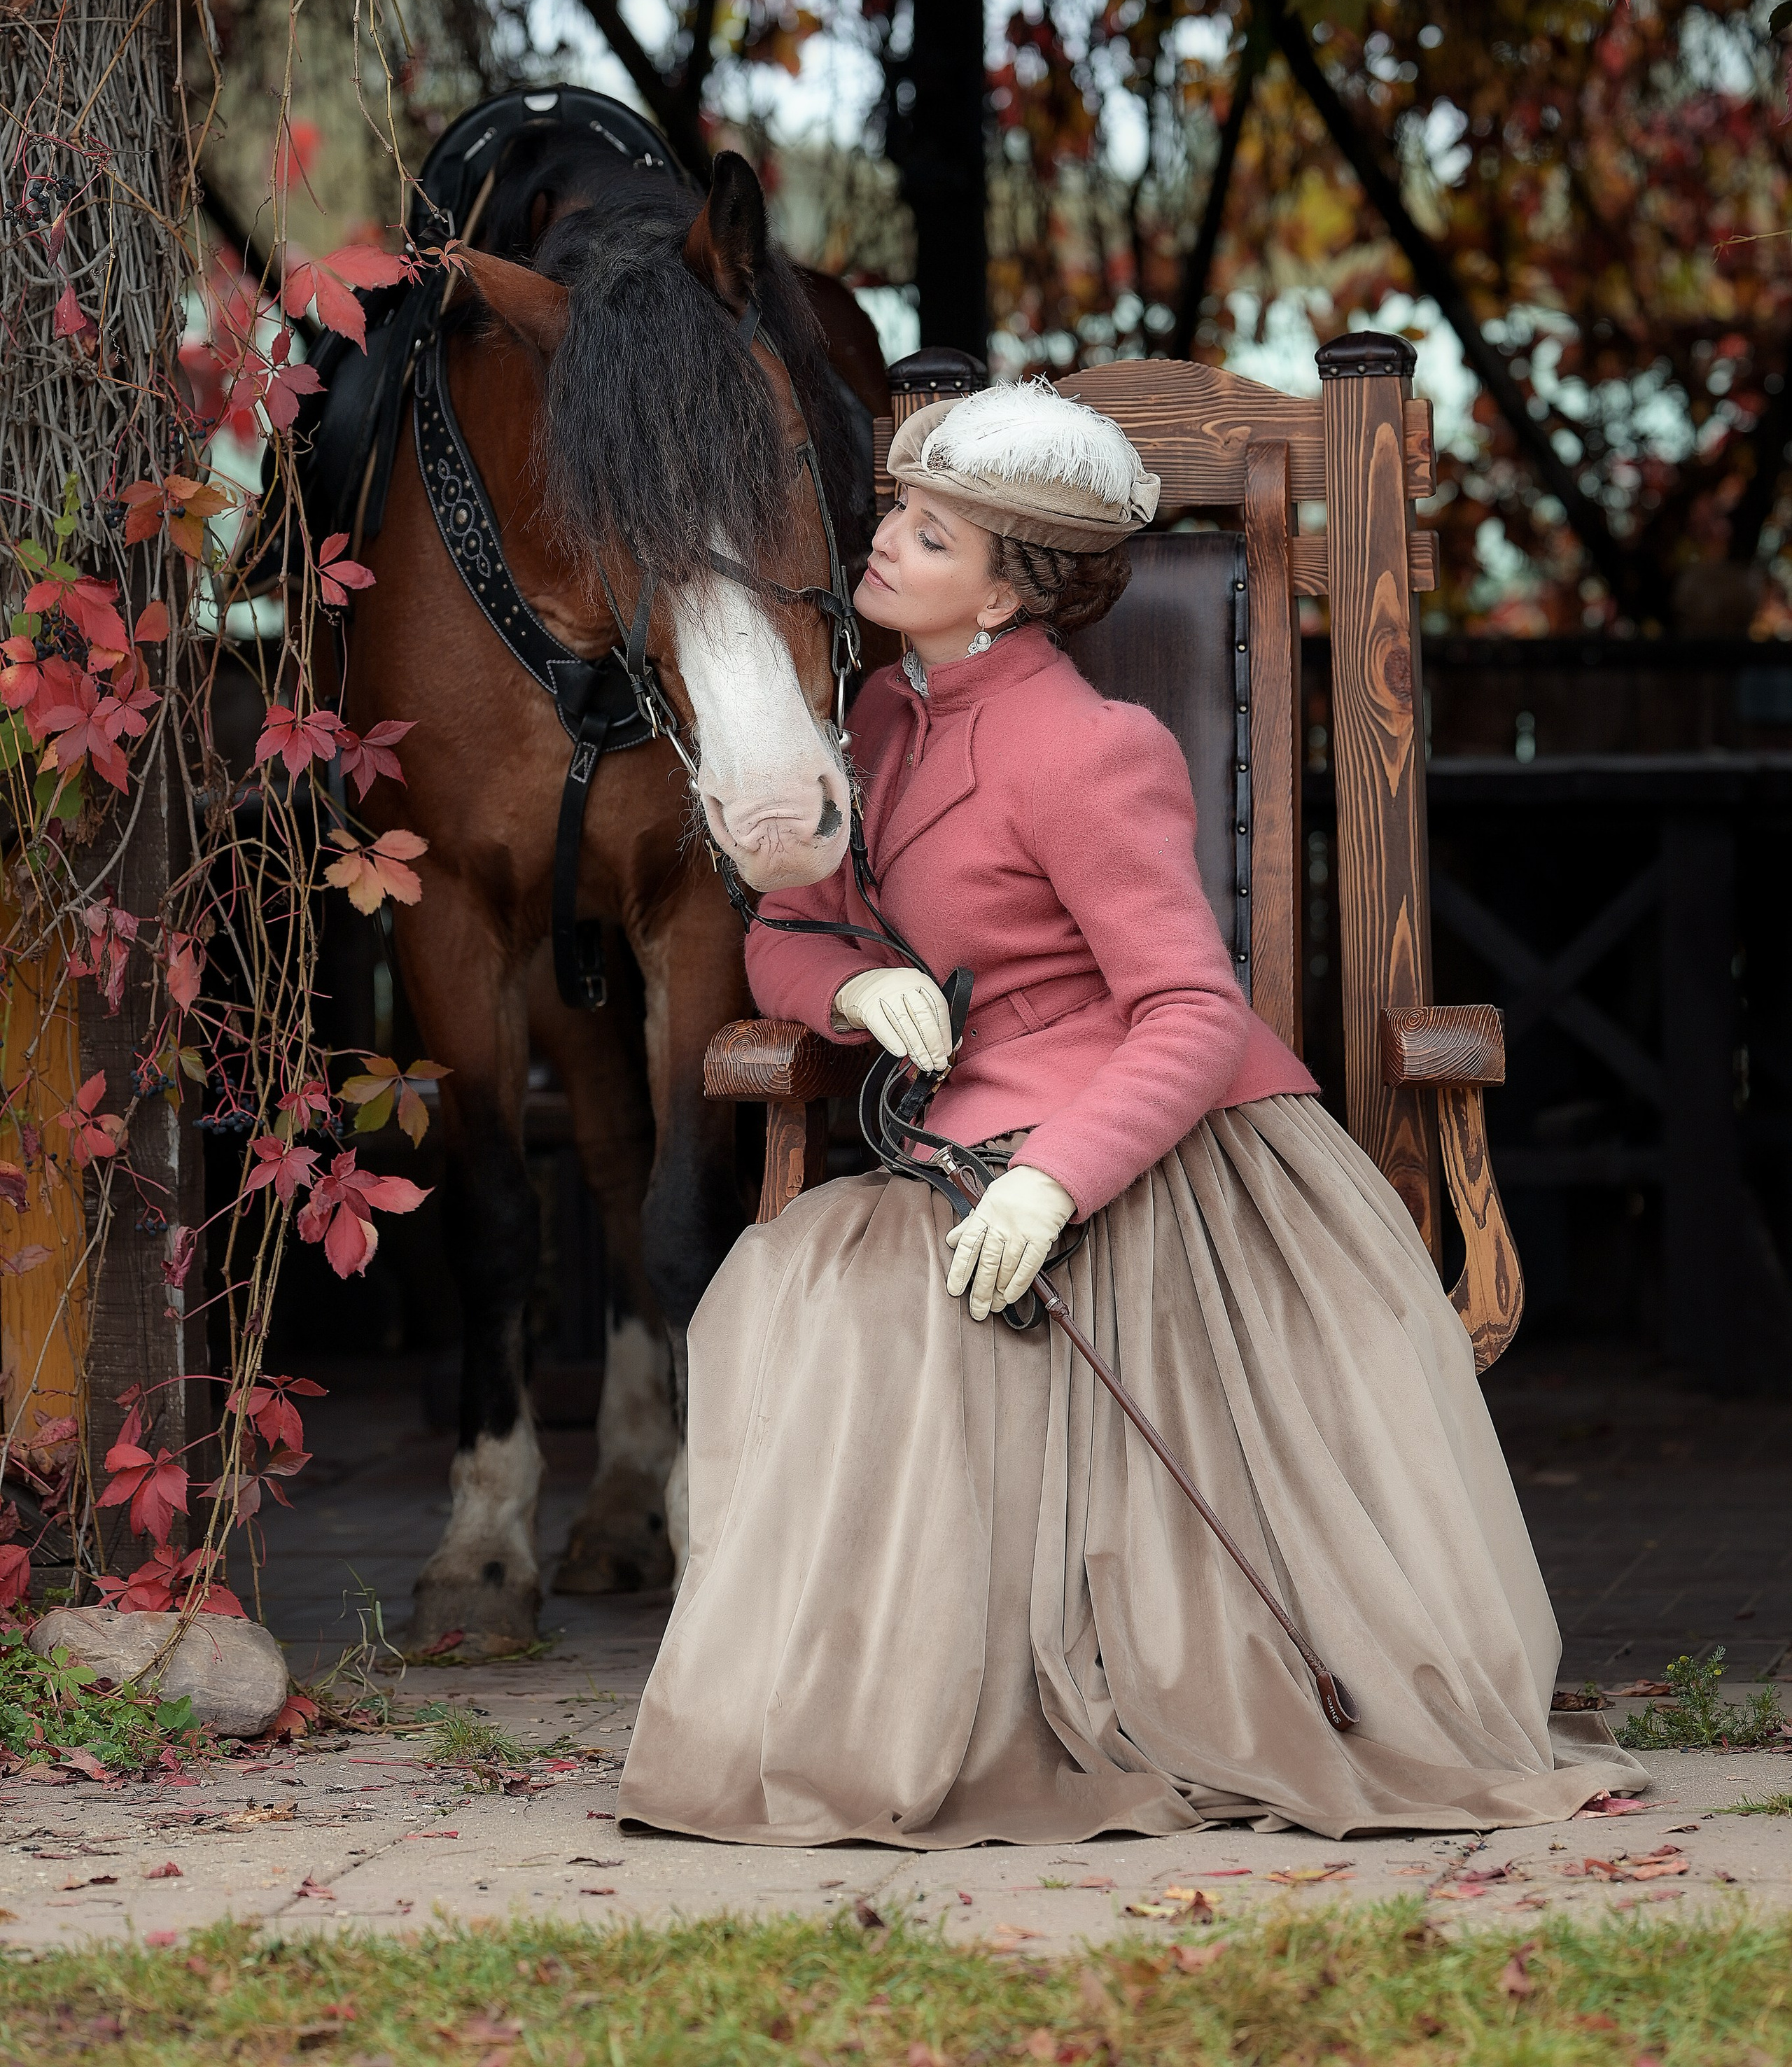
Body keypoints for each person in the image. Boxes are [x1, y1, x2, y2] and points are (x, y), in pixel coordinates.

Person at [620, 381, 1642, 1844]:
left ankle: (1075, 1687)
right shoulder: (867, 722)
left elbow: (1190, 1009)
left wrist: (1054, 1185)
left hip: (1150, 1155)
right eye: (896, 514)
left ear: (1014, 586)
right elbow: (786, 930)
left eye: (927, 531)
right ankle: (864, 1711)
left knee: (898, 1322)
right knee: (803, 1297)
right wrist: (842, 994)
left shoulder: (1086, 748)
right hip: (957, 1145)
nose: (882, 543)